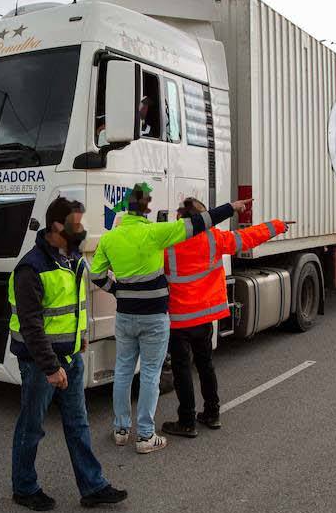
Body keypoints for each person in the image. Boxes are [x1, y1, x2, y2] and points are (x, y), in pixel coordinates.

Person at [91, 184, 245, 454]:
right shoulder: (157, 233)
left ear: (126, 208)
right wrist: (230, 207)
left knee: (124, 371)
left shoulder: (109, 239)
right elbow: (199, 223)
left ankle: (121, 429)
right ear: (147, 208)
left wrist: (118, 290)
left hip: (125, 315)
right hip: (154, 317)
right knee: (150, 373)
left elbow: (96, 276)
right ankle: (146, 436)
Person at [9, 196, 127, 511]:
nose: (82, 229)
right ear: (58, 225)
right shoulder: (31, 268)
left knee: (78, 424)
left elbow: (77, 306)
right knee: (32, 426)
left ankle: (93, 486)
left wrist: (83, 337)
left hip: (71, 356)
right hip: (40, 363)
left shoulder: (72, 259)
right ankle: (24, 487)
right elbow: (32, 326)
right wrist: (50, 367)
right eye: (77, 223)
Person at [160, 198, 290, 438]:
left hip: (179, 318)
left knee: (182, 370)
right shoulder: (214, 239)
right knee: (206, 365)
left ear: (180, 219)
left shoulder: (168, 243)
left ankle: (187, 421)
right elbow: (248, 237)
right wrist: (277, 225)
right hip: (205, 316)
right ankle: (212, 414)